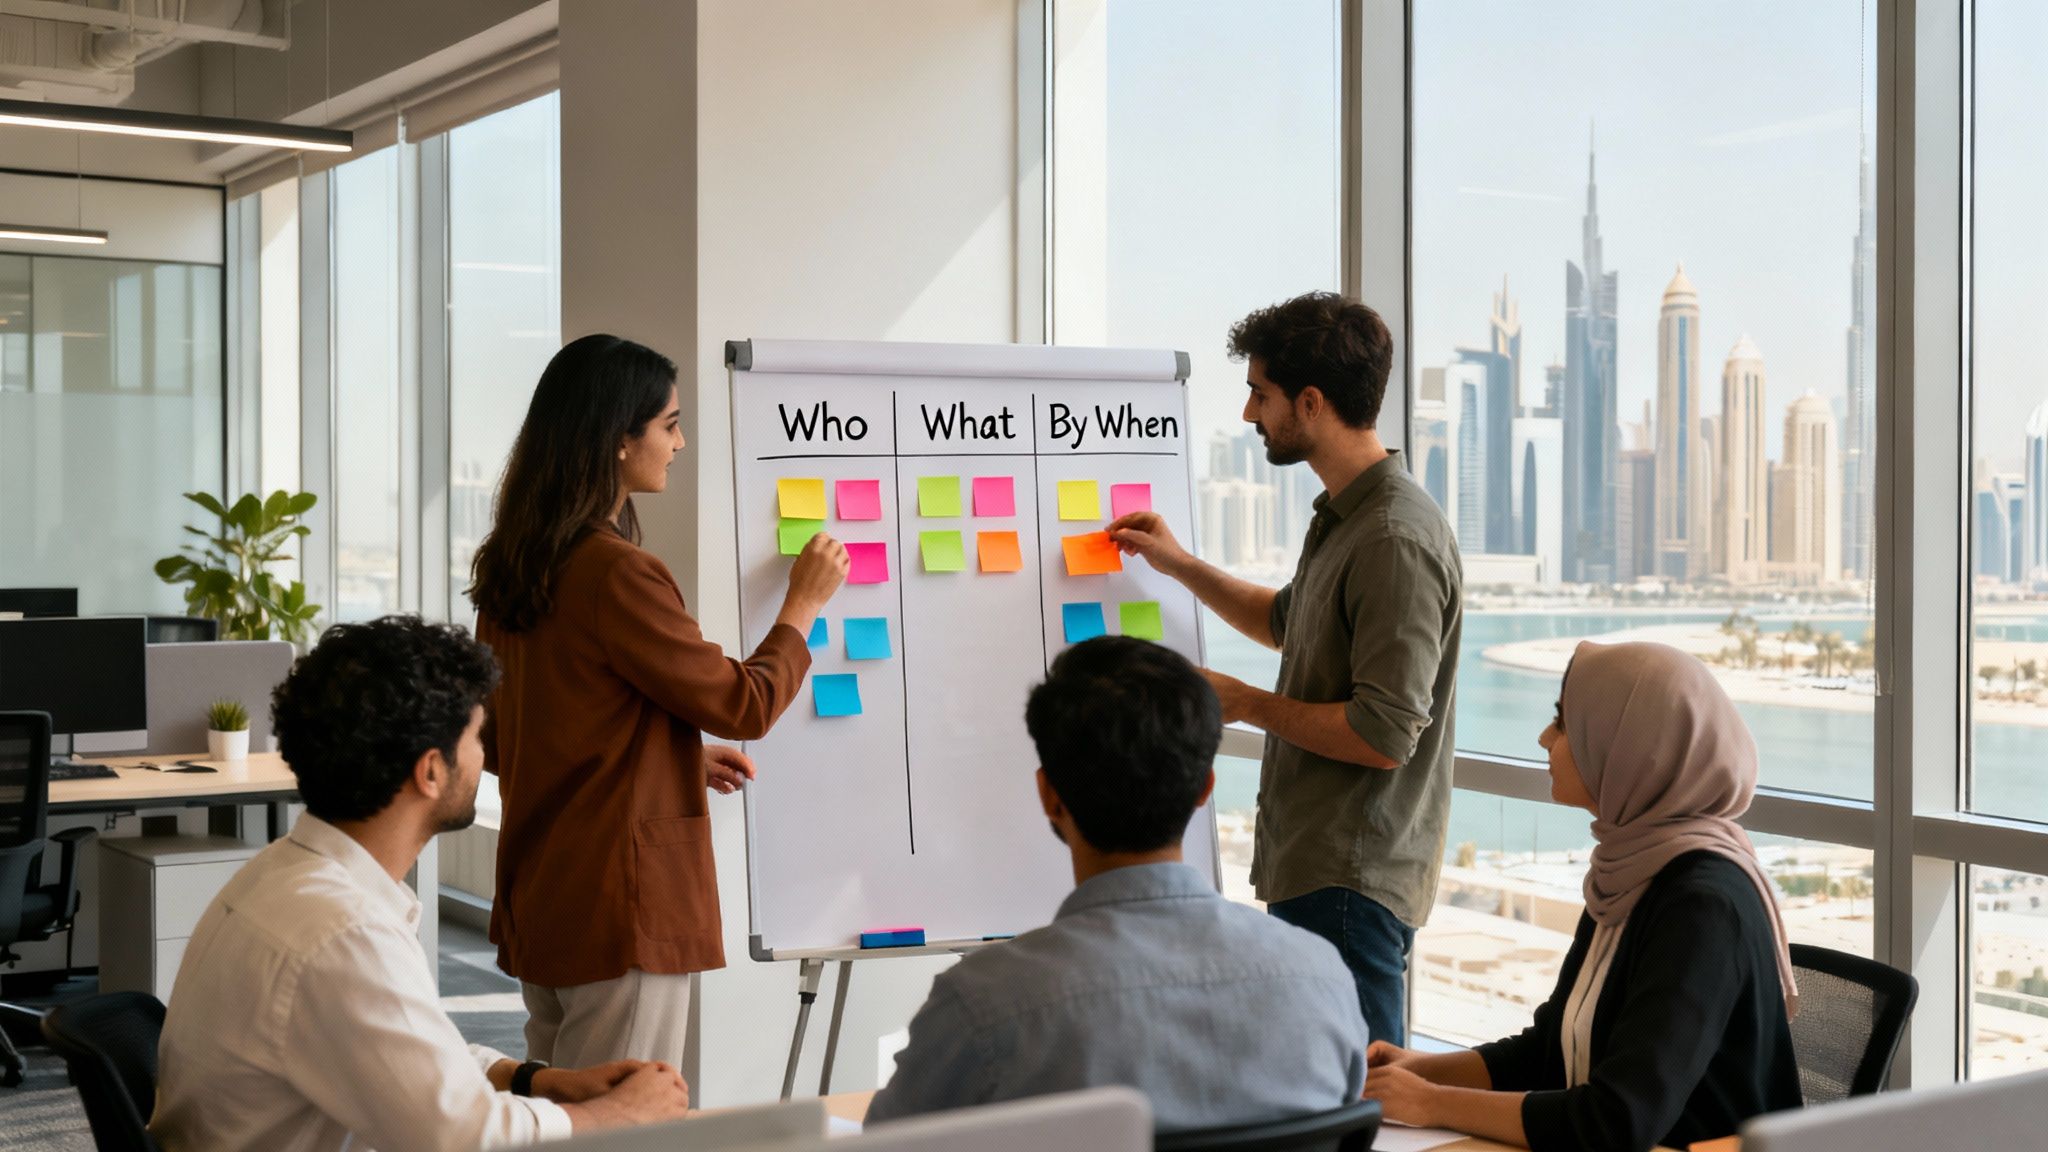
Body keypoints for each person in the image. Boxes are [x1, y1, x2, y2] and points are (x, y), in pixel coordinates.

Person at [152, 617, 694, 1152]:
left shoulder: (283, 878)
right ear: (430, 771)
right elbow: (463, 1138)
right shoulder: (341, 935)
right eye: (477, 736)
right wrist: (617, 1115)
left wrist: (534, 1079)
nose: (485, 757)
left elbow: (400, 1063)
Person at [468, 334, 848, 1070]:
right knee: (621, 1121)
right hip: (621, 906)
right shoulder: (616, 574)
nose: (680, 442)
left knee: (559, 1118)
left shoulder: (516, 564)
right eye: (669, 424)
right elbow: (745, 704)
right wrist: (801, 607)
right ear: (618, 439)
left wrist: (667, 754)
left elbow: (508, 736)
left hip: (545, 893)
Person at [1106, 290, 1462, 1045]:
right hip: (1322, 870)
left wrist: (1242, 702)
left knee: (1353, 1102)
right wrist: (1177, 565)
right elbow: (1283, 622)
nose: (1247, 416)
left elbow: (1383, 734)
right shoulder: (1347, 516)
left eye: (1258, 395)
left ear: (1309, 402)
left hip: (1351, 882)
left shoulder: (1393, 537)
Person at [864, 636, 1368, 1132]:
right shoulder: (1321, 978)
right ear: (1203, 789)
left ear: (1050, 796)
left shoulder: (983, 1005)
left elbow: (884, 1146)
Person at [1362, 642, 1803, 1152]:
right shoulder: (1632, 868)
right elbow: (1554, 1049)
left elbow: (1617, 1120)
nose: (1545, 738)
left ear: (1629, 745)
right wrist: (1423, 1070)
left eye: (1565, 724)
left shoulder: (1703, 905)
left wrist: (1432, 1103)